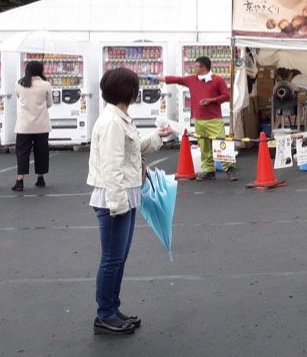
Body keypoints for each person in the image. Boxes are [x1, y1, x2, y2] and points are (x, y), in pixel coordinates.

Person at [88, 67, 173, 335]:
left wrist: (159, 136)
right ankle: (105, 314)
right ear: (131, 92)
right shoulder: (114, 122)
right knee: (113, 259)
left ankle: (111, 309)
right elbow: (111, 167)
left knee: (118, 259)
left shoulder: (118, 117)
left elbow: (132, 150)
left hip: (124, 195)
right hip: (116, 199)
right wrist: (118, 205)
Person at [159, 56, 235, 181]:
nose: (194, 68)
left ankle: (230, 169)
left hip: (214, 119)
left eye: (196, 66)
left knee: (221, 143)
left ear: (204, 67)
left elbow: (227, 96)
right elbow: (177, 79)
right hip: (199, 119)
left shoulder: (217, 80)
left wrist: (212, 100)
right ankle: (209, 170)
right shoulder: (192, 80)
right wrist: (158, 78)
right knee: (203, 145)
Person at [12, 61, 53, 192]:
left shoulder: (20, 84)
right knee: (41, 151)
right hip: (41, 124)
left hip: (24, 125)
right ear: (40, 70)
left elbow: (19, 97)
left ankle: (20, 180)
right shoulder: (46, 84)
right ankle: (40, 178)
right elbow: (50, 104)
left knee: (22, 152)